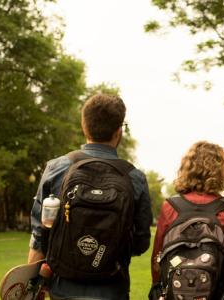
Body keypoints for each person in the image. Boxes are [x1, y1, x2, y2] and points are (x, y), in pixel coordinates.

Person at [28, 94, 153, 299]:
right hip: (113, 289)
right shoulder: (134, 178)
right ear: (119, 130)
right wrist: (106, 249)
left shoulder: (57, 169)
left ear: (84, 126)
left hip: (62, 289)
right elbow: (141, 242)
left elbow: (39, 234)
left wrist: (33, 285)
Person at [151, 141, 224, 299]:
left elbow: (158, 258)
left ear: (187, 168)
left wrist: (158, 289)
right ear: (221, 172)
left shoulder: (170, 207)